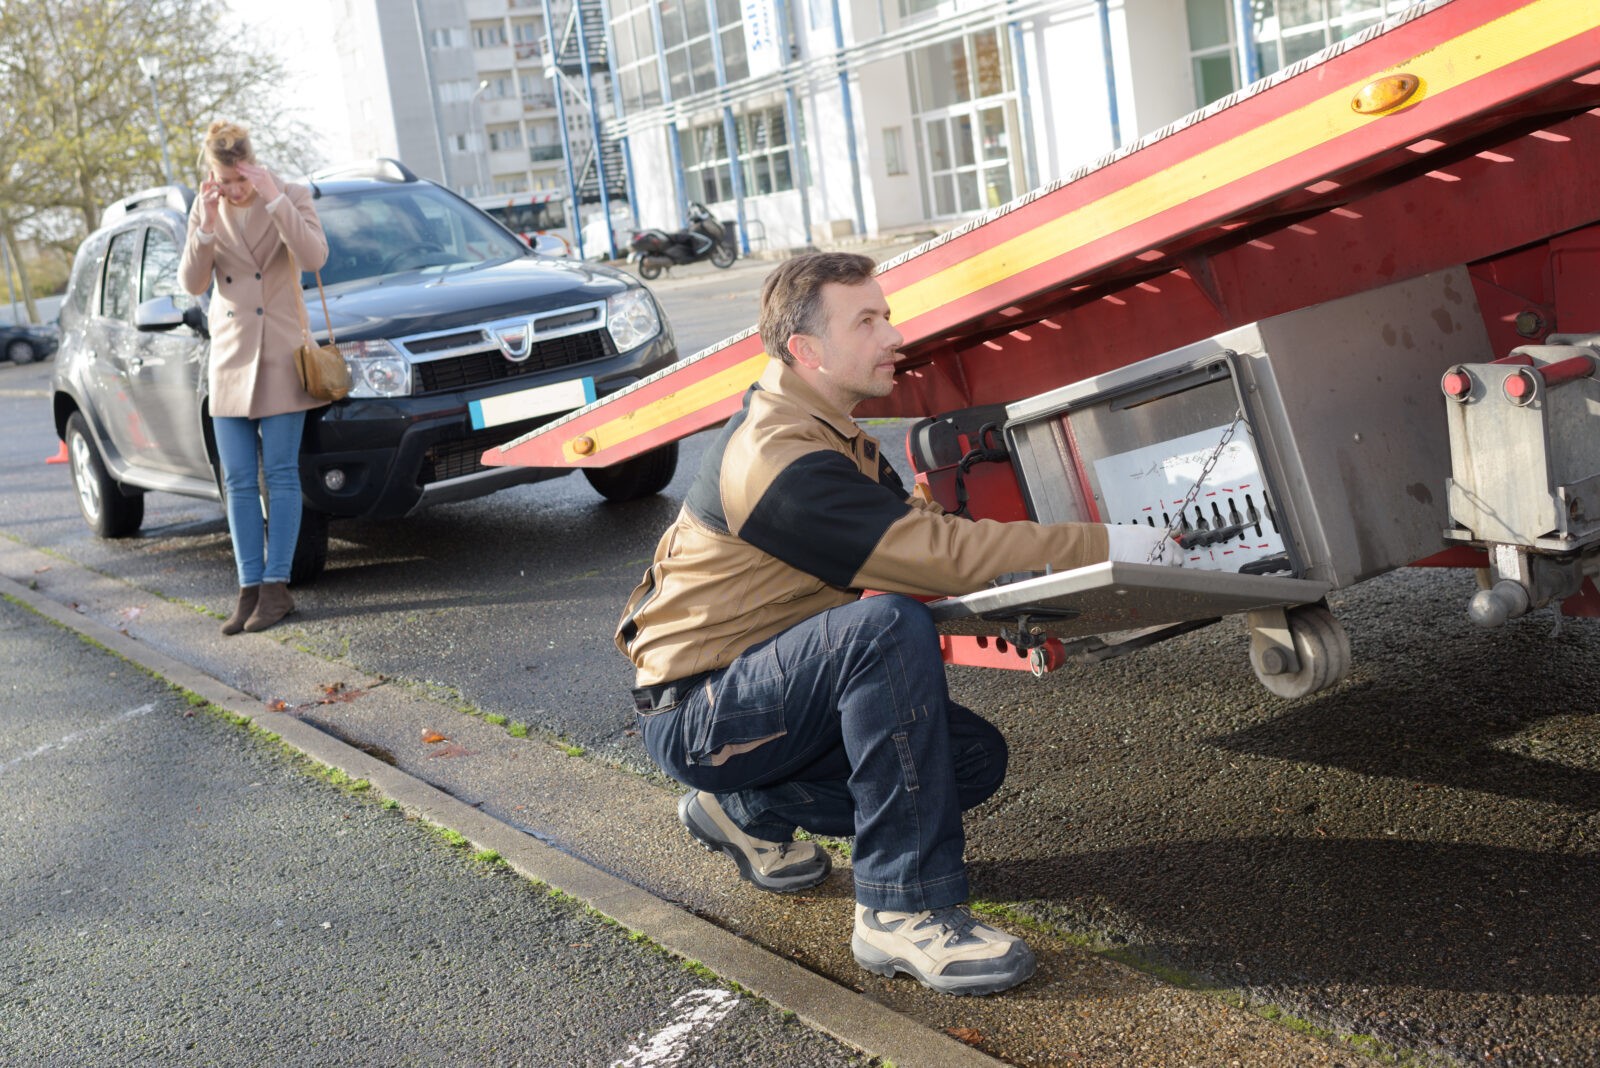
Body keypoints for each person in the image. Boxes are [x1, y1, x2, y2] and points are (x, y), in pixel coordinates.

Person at [617, 252, 1182, 996]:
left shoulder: (833, 436)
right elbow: (936, 557)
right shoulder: (778, 456)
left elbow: (931, 533)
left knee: (969, 760)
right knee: (883, 628)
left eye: (887, 315)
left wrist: (1039, 587)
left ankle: (746, 808)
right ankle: (898, 909)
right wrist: (1106, 543)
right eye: (869, 321)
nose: (894, 335)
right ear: (807, 351)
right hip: (702, 710)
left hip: (764, 694)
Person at [179, 120, 328, 635]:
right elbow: (193, 282)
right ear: (212, 173)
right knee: (238, 478)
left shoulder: (288, 194)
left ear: (252, 164)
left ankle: (276, 588)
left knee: (281, 474)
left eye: (240, 180)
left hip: (282, 354)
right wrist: (205, 228)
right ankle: (247, 589)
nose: (234, 190)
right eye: (226, 180)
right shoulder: (206, 205)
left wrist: (273, 200)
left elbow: (313, 258)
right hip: (229, 359)